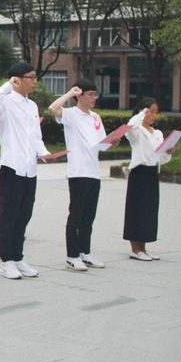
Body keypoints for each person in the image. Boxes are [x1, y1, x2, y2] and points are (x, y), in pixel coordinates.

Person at [0, 63, 53, 280]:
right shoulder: (5, 102)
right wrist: (8, 85)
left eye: (35, 77)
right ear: (18, 79)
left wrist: (45, 154)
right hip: (11, 167)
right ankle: (6, 261)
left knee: (24, 215)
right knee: (9, 215)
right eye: (31, 77)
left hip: (29, 169)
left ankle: (17, 257)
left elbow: (36, 137)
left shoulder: (32, 106)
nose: (35, 81)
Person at [49, 80, 111, 271]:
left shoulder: (96, 117)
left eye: (95, 94)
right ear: (80, 95)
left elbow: (102, 143)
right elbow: (53, 108)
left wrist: (112, 142)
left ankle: (85, 252)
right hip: (78, 172)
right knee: (76, 215)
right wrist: (70, 93)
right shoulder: (71, 114)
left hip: (94, 172)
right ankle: (72, 255)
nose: (94, 98)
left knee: (88, 216)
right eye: (90, 94)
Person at [123, 98, 173, 261]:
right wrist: (141, 114)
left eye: (156, 113)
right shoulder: (137, 130)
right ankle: (135, 249)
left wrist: (168, 152)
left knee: (149, 210)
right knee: (136, 209)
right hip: (139, 172)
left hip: (152, 172)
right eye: (151, 112)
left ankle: (143, 248)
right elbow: (129, 127)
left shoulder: (157, 133)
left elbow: (161, 158)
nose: (154, 116)